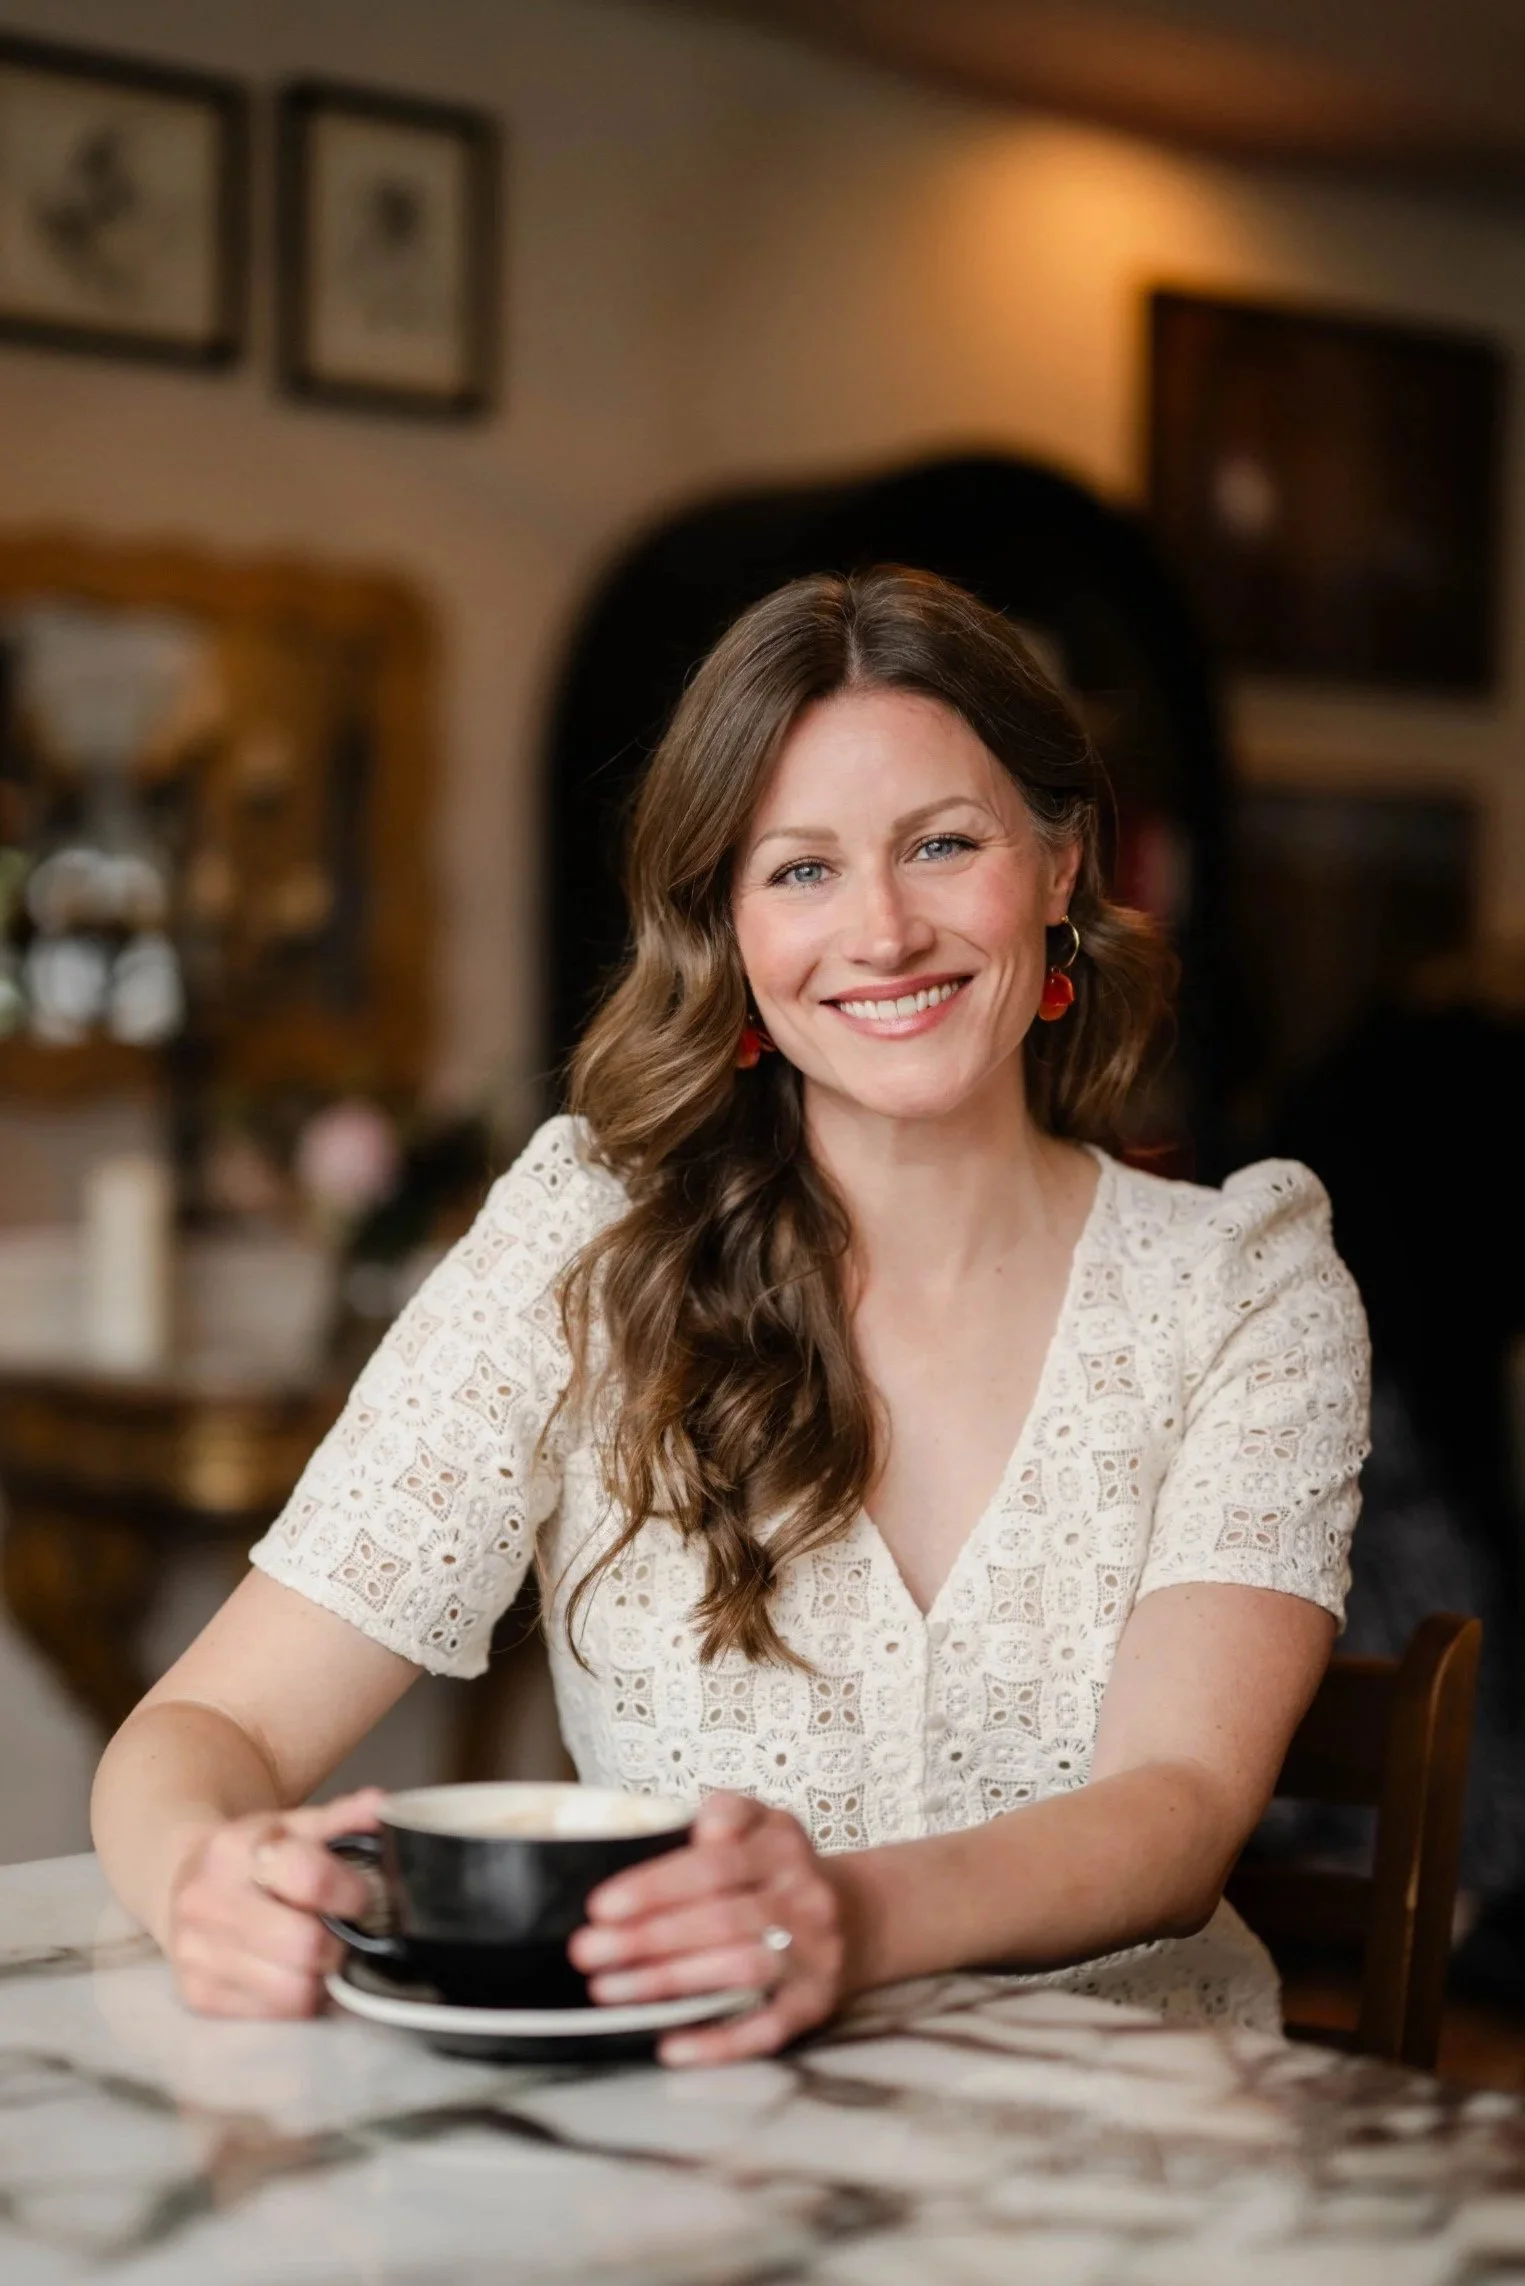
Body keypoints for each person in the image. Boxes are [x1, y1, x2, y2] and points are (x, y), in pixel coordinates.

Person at [92, 568, 1370, 2065]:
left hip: (1136, 2170)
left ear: (1060, 865)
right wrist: (209, 1876)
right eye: (800, 869)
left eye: (943, 844)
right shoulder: (589, 1246)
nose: (881, 930)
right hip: (680, 2157)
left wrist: (843, 1916)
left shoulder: (1247, 1284)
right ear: (727, 927)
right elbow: (207, 1731)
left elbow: (1175, 1812)